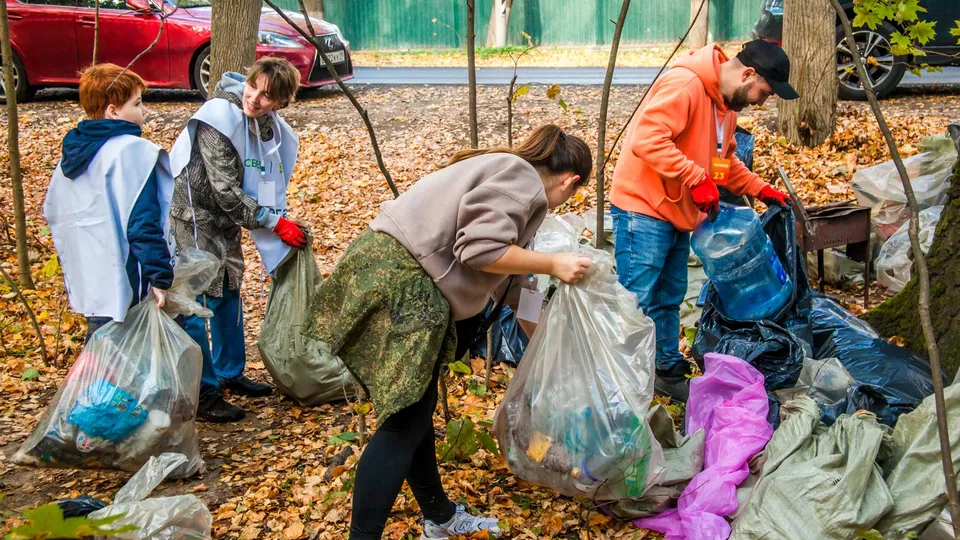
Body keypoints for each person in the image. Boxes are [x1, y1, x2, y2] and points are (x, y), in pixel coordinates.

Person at [304, 125, 594, 539]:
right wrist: (553, 264)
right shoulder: (520, 178)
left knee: (412, 414)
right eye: (573, 194)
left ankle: (438, 517)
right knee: (403, 423)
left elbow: (516, 285)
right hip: (404, 285)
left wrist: (546, 351)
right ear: (571, 181)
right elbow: (479, 250)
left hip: (391, 278)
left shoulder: (510, 180)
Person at [609, 39, 799, 401]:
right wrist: (695, 179)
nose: (763, 101)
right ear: (748, 73)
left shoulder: (727, 105)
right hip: (643, 206)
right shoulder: (686, 84)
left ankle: (664, 369)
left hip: (679, 211)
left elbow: (722, 163)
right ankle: (622, 384)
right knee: (637, 298)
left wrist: (760, 189)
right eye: (765, 91)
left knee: (669, 297)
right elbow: (647, 140)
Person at [168, 57, 307, 423]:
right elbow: (226, 190)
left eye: (267, 96)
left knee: (229, 288)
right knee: (196, 298)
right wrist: (273, 223)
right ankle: (204, 389)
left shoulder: (266, 124)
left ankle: (230, 371)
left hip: (227, 220)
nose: (255, 99)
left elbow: (266, 174)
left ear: (280, 102)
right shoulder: (219, 118)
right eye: (253, 88)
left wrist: (276, 216)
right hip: (194, 216)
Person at [44, 63, 174, 342]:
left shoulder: (71, 158)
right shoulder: (132, 153)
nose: (144, 111)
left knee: (102, 364)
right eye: (137, 103)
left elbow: (56, 213)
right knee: (130, 368)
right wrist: (160, 277)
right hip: (127, 282)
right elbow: (142, 223)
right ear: (113, 111)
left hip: (89, 282)